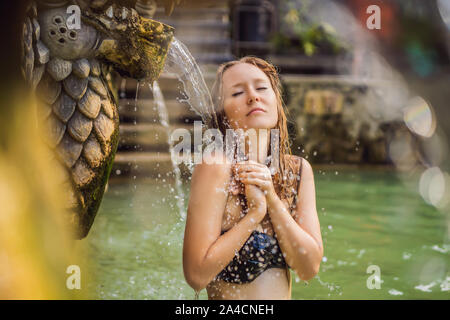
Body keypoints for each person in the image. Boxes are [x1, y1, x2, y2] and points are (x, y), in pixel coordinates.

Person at [183, 56, 323, 299]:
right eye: (237, 93)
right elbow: (196, 276)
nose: (253, 96)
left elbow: (309, 268)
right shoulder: (216, 168)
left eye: (261, 88)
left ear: (276, 101)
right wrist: (254, 215)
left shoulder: (298, 171)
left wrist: (271, 200)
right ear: (222, 113)